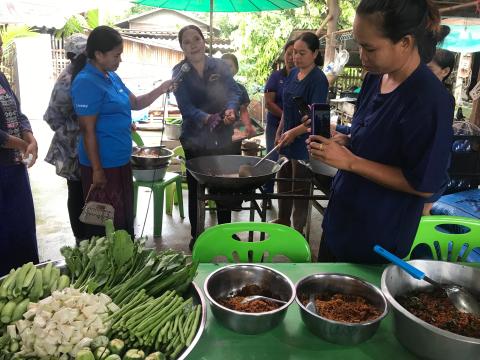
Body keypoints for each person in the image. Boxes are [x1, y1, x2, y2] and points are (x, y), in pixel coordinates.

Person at [308, 0, 454, 263]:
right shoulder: (376, 77)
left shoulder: (428, 100)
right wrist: (347, 140)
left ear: (406, 43)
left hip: (378, 239)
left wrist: (350, 161)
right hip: (341, 221)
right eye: (359, 44)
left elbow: (423, 184)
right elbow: (378, 142)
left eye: (369, 48)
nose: (362, 57)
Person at [71, 26, 172, 238]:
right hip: (102, 166)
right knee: (104, 224)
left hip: (120, 161)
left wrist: (161, 89)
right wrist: (97, 170)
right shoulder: (86, 82)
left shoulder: (111, 77)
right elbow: (87, 131)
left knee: (123, 220)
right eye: (116, 55)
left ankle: (125, 261)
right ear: (99, 54)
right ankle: (106, 268)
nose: (120, 60)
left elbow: (135, 103)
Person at [172, 25, 240, 249]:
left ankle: (225, 233)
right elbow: (185, 105)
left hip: (222, 135)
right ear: (182, 47)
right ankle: (197, 234)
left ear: (204, 41)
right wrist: (204, 118)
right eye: (187, 42)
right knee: (195, 187)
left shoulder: (219, 65)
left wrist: (231, 108)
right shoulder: (179, 71)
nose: (193, 45)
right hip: (194, 138)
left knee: (224, 185)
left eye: (196, 39)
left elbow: (234, 91)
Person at [273, 32, 329, 234]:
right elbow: (287, 106)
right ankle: (283, 220)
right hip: (286, 139)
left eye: (302, 53)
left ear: (315, 54)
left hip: (305, 142)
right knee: (284, 180)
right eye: (294, 52)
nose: (296, 57)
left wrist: (294, 133)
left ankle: (297, 229)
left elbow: (316, 118)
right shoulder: (293, 74)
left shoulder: (318, 80)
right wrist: (280, 130)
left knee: (300, 186)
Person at [0, 36, 39, 276]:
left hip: (14, 168)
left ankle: (28, 280)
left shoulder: (1, 77)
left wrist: (29, 135)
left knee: (22, 229)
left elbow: (17, 111)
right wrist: (20, 143)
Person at [44, 34, 88, 243]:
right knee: (77, 191)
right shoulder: (67, 80)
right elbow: (52, 117)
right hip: (72, 148)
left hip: (84, 144)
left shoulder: (86, 74)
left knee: (86, 190)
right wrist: (73, 131)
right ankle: (81, 237)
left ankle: (89, 235)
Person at [422, 45, 456, 215]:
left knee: (422, 213)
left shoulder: (444, 100)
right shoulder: (425, 93)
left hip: (432, 167)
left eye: (429, 69)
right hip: (425, 165)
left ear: (445, 71)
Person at [263, 40, 295, 194]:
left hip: (295, 129)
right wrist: (286, 116)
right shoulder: (276, 77)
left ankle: (284, 196)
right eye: (289, 54)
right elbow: (268, 103)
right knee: (272, 158)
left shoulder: (302, 78)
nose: (291, 57)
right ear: (285, 55)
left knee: (288, 163)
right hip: (274, 125)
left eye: (295, 53)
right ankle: (267, 192)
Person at [221, 53, 256, 151]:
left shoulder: (240, 89)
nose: (227, 69)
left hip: (234, 134)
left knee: (233, 159)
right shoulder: (211, 88)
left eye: (230, 66)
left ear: (236, 69)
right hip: (215, 133)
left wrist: (248, 126)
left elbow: (243, 111)